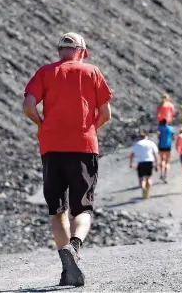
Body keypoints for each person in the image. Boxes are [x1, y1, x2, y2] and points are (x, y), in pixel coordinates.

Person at [22, 32, 112, 287]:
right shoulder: (92, 72)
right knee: (82, 207)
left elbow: (28, 105)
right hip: (83, 146)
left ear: (59, 50)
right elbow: (106, 113)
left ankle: (66, 267)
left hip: (51, 148)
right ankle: (74, 246)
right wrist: (90, 129)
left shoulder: (45, 72)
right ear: (81, 51)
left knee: (57, 209)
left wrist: (41, 125)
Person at [129, 130, 159, 200]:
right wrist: (156, 164)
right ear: (146, 136)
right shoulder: (150, 143)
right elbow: (156, 154)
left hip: (141, 162)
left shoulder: (137, 144)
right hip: (149, 161)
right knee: (149, 178)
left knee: (141, 179)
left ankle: (143, 189)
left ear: (140, 137)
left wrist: (131, 163)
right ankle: (147, 191)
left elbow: (132, 155)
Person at [156, 119, 176, 183]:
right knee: (167, 161)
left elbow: (158, 136)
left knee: (162, 160)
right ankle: (165, 175)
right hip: (168, 146)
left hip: (161, 145)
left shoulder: (160, 128)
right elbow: (173, 138)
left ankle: (161, 173)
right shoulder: (171, 128)